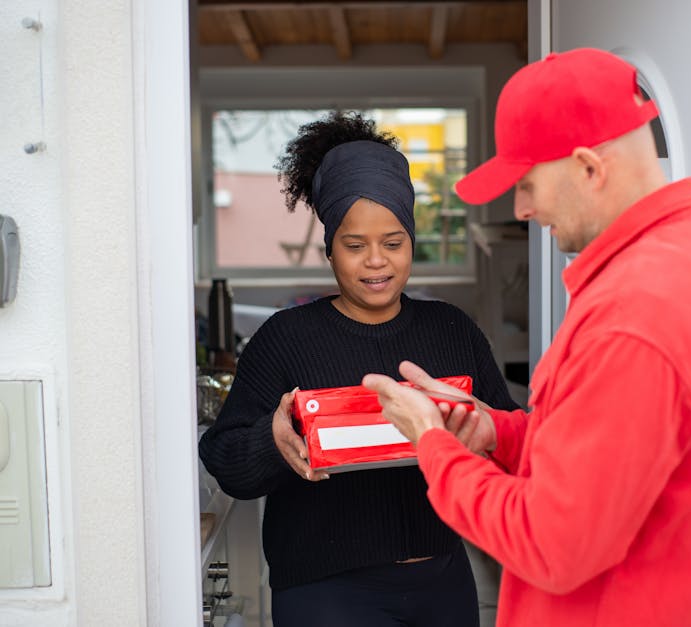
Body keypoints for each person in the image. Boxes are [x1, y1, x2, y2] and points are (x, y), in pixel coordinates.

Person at [362, 48, 691, 627]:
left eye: (526, 183)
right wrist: (494, 431)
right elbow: (609, 463)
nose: (522, 208)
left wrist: (433, 443)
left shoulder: (641, 312)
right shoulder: (679, 260)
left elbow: (550, 544)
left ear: (588, 167)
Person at [198, 110, 518, 627]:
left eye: (393, 243)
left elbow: (511, 441)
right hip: (325, 593)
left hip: (443, 582)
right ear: (329, 250)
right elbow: (225, 460)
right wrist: (272, 439)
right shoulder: (285, 337)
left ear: (412, 240)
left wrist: (479, 432)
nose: (376, 261)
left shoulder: (452, 330)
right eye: (354, 246)